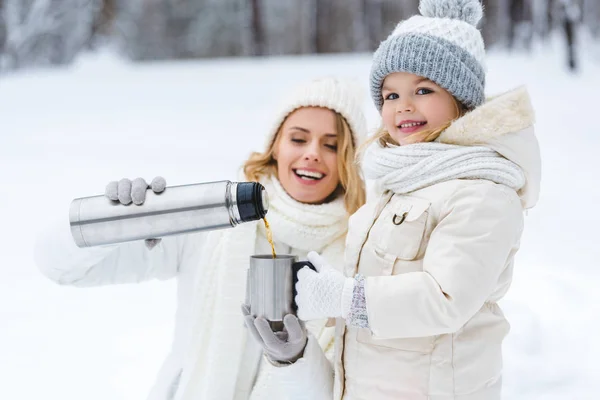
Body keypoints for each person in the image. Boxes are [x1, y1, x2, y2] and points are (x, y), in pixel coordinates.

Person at [261, 1, 541, 399]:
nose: (403, 106)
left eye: (423, 90)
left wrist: (344, 296)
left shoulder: (482, 190)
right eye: (390, 94)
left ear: (461, 98)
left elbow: (445, 299)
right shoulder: (403, 181)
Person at [34, 77, 367, 400]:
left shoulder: (362, 250)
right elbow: (60, 267)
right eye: (298, 138)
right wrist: (114, 220)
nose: (312, 153)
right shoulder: (212, 217)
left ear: (349, 160)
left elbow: (345, 391)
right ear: (275, 147)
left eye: (332, 145)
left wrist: (297, 359)